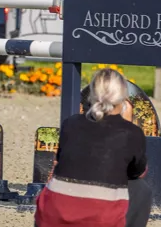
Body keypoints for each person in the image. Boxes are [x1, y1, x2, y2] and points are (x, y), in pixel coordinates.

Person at [35, 68, 153, 227]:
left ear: (91, 94)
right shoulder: (132, 133)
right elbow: (137, 172)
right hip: (100, 220)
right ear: (123, 99)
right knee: (140, 189)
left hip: (53, 216)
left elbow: (61, 161)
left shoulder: (70, 123)